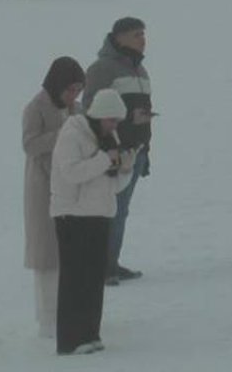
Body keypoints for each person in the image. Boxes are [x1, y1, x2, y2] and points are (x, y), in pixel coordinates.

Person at [50, 89, 136, 355]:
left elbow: (114, 184)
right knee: (74, 279)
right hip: (72, 215)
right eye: (111, 119)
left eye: (117, 121)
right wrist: (104, 160)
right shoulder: (72, 133)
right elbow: (71, 172)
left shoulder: (110, 136)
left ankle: (90, 334)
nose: (114, 125)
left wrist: (125, 169)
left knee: (93, 278)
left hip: (99, 214)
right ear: (98, 115)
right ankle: (69, 340)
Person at [83, 17, 153, 285]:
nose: (143, 39)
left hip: (136, 152)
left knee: (121, 210)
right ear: (119, 37)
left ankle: (112, 262)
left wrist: (146, 149)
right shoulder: (102, 69)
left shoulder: (141, 71)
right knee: (108, 208)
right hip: (113, 152)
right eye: (137, 35)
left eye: (143, 34)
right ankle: (102, 267)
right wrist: (123, 126)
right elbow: (91, 110)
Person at [23, 57, 86, 339]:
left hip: (72, 187)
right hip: (42, 187)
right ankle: (47, 319)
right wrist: (63, 134)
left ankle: (71, 311)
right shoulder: (35, 107)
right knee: (47, 255)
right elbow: (30, 144)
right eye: (70, 90)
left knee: (71, 253)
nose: (74, 96)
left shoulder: (78, 109)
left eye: (78, 90)